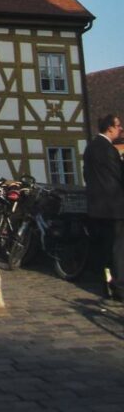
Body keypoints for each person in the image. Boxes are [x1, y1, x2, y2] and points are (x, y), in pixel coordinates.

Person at [83, 114, 124, 305]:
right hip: (114, 207)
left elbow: (87, 175)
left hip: (96, 207)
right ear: (109, 128)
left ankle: (106, 284)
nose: (120, 129)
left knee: (104, 248)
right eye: (118, 126)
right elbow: (119, 176)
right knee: (118, 249)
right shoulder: (109, 150)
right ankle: (120, 288)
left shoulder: (90, 147)